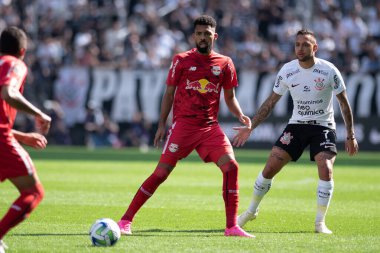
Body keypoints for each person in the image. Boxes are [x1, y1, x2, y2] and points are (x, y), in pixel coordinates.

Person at [117, 15, 254, 238]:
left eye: (207, 34)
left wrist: (240, 115)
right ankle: (125, 220)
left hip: (210, 128)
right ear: (193, 36)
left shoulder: (225, 63)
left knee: (231, 167)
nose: (202, 37)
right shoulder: (181, 60)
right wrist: (162, 124)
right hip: (183, 126)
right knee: (161, 173)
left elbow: (230, 97)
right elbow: (169, 93)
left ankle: (231, 227)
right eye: (199, 33)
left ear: (214, 36)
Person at [233, 29, 359, 234]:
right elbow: (270, 103)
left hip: (323, 126)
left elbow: (344, 105)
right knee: (270, 167)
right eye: (297, 44)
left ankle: (320, 223)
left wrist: (351, 135)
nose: (300, 48)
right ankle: (250, 211)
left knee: (325, 167)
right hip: (297, 125)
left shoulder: (329, 70)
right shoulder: (287, 70)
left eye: (305, 44)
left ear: (315, 48)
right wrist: (251, 126)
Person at [0, 27, 52, 253]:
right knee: (34, 193)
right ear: (23, 51)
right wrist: (38, 114)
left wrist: (22, 137)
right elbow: (8, 93)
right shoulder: (14, 64)